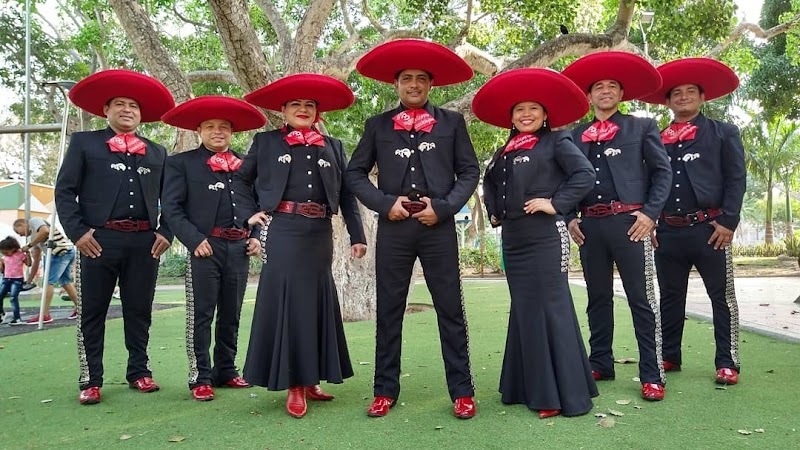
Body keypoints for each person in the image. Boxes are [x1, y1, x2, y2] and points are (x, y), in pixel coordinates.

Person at [347, 39, 479, 419]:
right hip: (394, 227)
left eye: (422, 79)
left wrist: (444, 207)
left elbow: (469, 171)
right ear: (397, 85)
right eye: (407, 79)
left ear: (431, 85)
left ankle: (462, 391)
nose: (414, 85)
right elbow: (354, 173)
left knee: (450, 309)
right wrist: (385, 203)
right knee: (389, 309)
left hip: (437, 226)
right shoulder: (377, 125)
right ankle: (384, 390)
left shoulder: (452, 123)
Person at [234, 73, 367, 419]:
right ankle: (293, 383)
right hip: (283, 230)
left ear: (318, 112)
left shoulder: (333, 146)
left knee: (315, 303)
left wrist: (358, 236)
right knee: (290, 304)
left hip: (319, 232)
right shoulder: (265, 143)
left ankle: (311, 379)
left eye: (310, 105)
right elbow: (239, 181)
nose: (303, 109)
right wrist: (250, 214)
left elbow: (348, 194)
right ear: (283, 110)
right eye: (296, 104)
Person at [472, 68, 599, 418]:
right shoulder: (503, 151)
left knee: (551, 307)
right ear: (510, 117)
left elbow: (585, 175)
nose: (526, 114)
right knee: (525, 308)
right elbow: (490, 186)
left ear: (545, 115)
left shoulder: (558, 141)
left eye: (533, 109)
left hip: (546, 237)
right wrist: (496, 213)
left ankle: (562, 394)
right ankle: (523, 385)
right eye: (519, 110)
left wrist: (555, 204)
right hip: (514, 238)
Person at [54, 69, 175, 405]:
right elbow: (64, 191)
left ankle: (139, 370)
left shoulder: (157, 152)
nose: (127, 110)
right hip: (98, 241)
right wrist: (78, 232)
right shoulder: (84, 143)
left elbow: (174, 198)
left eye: (133, 106)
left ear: (140, 114)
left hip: (144, 242)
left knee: (140, 309)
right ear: (105, 110)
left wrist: (166, 231)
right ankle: (90, 379)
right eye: (119, 104)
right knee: (93, 310)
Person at [562, 51, 672, 401]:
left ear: (621, 95)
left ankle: (651, 373)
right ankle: (601, 362)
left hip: (631, 224)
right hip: (589, 228)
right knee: (597, 298)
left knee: (641, 299)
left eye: (612, 86)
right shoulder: (573, 135)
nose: (605, 91)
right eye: (598, 87)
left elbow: (662, 172)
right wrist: (568, 218)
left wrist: (650, 215)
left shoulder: (642, 126)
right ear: (589, 95)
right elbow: (559, 180)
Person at [640, 58, 746, 385]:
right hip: (667, 232)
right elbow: (646, 182)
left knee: (722, 296)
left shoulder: (723, 133)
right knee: (670, 296)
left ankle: (727, 361)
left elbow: (736, 179)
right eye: (676, 93)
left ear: (702, 98)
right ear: (668, 101)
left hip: (711, 229)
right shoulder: (654, 138)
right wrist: (651, 222)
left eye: (690, 92)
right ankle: (670, 354)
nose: (683, 97)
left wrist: (728, 221)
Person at [161, 96, 266, 401]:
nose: (217, 131)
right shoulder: (181, 163)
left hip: (239, 247)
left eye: (223, 127)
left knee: (232, 312)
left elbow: (260, 204)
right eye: (210, 126)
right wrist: (194, 240)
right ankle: (200, 377)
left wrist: (256, 235)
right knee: (201, 315)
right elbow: (171, 207)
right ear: (199, 131)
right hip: (204, 248)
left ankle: (227, 370)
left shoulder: (247, 163)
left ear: (232, 132)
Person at [13, 218, 78, 323]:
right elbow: (36, 260)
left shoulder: (34, 221)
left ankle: (45, 314)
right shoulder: (34, 238)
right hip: (65, 251)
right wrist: (29, 280)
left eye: (17, 231)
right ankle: (80, 308)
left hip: (60, 252)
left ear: (22, 224)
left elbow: (45, 231)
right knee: (65, 282)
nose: (20, 235)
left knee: (48, 281)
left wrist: (29, 245)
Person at [0, 236, 31, 325]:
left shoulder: (20, 255)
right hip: (6, 278)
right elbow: (2, 268)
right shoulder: (4, 257)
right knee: (0, 296)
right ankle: (1, 313)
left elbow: (29, 264)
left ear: (13, 248)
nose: (4, 253)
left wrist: (28, 254)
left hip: (17, 279)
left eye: (6, 252)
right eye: (2, 252)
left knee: (13, 298)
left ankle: (17, 318)